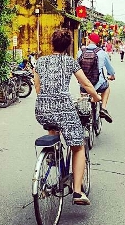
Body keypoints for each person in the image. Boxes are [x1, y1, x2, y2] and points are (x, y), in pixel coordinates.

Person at [34, 28, 100, 206]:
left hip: (42, 108)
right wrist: (96, 97)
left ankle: (52, 156)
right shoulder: (70, 62)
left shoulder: (40, 62)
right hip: (64, 108)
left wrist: (47, 100)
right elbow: (85, 82)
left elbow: (37, 87)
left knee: (53, 127)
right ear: (69, 46)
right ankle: (77, 192)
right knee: (77, 146)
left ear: (51, 43)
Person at [77, 33, 115, 123]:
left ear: (89, 40)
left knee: (83, 93)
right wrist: (112, 76)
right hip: (99, 85)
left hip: (84, 85)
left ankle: (83, 110)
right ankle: (103, 109)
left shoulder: (80, 52)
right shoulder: (102, 53)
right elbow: (110, 70)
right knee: (107, 88)